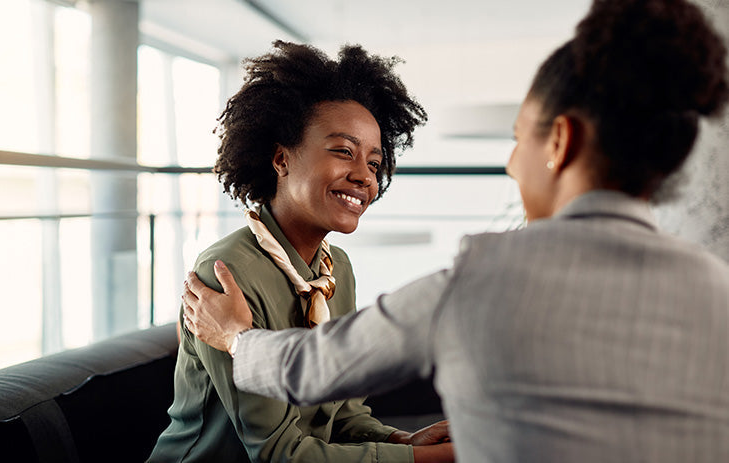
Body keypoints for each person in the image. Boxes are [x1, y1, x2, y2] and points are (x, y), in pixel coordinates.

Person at [180, 0, 729, 461]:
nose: (514, 164)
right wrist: (409, 444)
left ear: (559, 142)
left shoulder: (484, 277)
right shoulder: (716, 287)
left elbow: (312, 369)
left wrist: (234, 338)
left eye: (520, 139)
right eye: (344, 153)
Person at [147, 41, 456, 463]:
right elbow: (279, 454)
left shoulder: (335, 271)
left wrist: (403, 442)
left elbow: (343, 414)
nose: (364, 176)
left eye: (374, 161)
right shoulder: (227, 273)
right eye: (344, 151)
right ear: (281, 159)